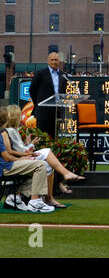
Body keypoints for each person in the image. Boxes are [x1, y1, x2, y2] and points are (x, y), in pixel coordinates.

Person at [5, 105, 85, 208]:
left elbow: (20, 150)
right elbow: (12, 153)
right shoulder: (9, 131)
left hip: (21, 161)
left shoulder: (14, 131)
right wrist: (28, 149)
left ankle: (48, 199)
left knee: (47, 164)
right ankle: (66, 174)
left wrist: (29, 145)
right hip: (15, 163)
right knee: (46, 152)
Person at [29, 52, 70, 193]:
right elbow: (32, 90)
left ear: (59, 61)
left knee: (55, 148)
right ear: (48, 61)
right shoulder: (41, 74)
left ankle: (57, 182)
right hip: (43, 114)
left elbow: (63, 94)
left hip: (56, 116)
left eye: (56, 60)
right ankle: (39, 182)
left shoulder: (62, 75)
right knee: (42, 146)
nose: (54, 62)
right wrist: (39, 105)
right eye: (52, 60)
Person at [0, 108, 53, 213]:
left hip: (7, 165)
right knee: (40, 165)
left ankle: (14, 198)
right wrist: (22, 158)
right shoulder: (3, 132)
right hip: (5, 167)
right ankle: (35, 202)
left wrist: (26, 151)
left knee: (39, 169)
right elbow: (6, 156)